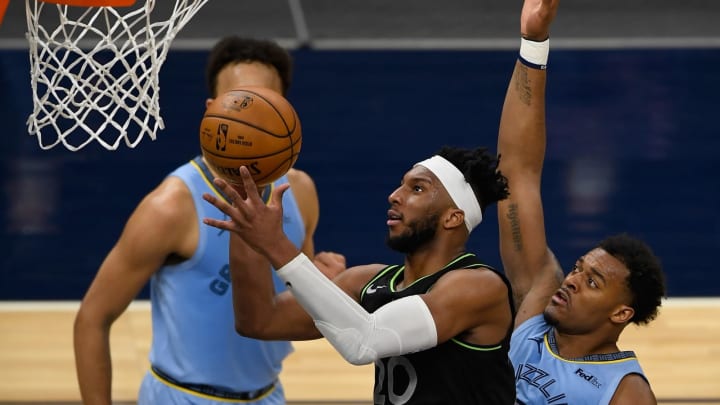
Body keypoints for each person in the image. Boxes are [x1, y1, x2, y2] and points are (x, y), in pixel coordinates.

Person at [74, 36, 343, 405]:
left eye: (262, 103)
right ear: (211, 111)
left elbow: (291, 310)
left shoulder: (301, 192)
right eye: (238, 102)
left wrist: (326, 290)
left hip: (268, 395)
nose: (248, 116)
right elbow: (92, 318)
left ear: (284, 112)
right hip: (181, 397)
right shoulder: (169, 207)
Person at [203, 144, 517, 404]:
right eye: (401, 184)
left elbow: (364, 342)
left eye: (417, 188)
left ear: (452, 218)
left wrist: (276, 245)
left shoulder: (478, 287)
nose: (394, 195)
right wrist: (248, 223)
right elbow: (259, 320)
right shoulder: (367, 281)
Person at [495, 0, 667, 403]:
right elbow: (515, 175)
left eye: (592, 282)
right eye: (578, 268)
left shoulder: (625, 392)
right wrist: (533, 43)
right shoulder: (535, 317)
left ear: (621, 313)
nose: (570, 280)